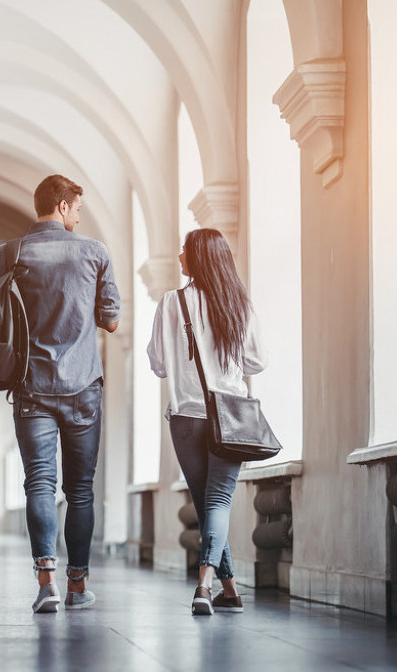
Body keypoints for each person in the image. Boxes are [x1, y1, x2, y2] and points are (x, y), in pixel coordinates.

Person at [0, 174, 121, 613]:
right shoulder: (95, 252)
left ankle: (47, 584)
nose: (79, 216)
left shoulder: (7, 255)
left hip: (31, 387)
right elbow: (112, 319)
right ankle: (78, 586)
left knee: (38, 484)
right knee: (80, 491)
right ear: (62, 206)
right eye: (77, 208)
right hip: (83, 388)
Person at [147, 228, 266, 615]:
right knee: (214, 503)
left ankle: (214, 587)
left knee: (206, 504)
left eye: (185, 250)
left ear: (199, 258)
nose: (179, 256)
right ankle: (215, 587)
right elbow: (257, 362)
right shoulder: (238, 304)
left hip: (186, 418)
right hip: (230, 417)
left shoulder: (171, 303)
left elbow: (159, 365)